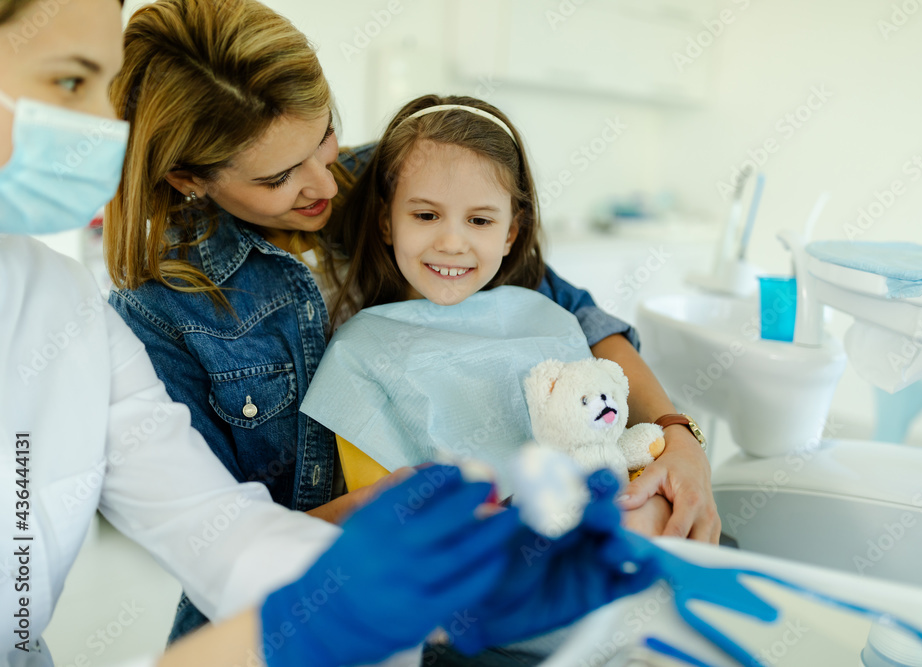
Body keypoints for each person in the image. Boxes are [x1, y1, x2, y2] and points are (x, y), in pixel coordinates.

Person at [0, 0, 665, 664]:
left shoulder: (402, 175)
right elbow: (213, 532)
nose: (326, 182)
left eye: (324, 135)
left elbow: (571, 310)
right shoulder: (160, 309)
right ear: (189, 178)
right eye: (277, 176)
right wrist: (363, 541)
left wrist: (675, 433)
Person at [300, 95, 672, 497]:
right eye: (426, 215)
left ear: (511, 234)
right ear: (386, 222)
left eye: (479, 220)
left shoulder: (548, 315)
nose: (451, 243)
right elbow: (382, 507)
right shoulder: (358, 351)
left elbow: (604, 440)